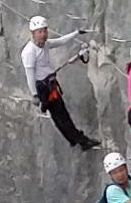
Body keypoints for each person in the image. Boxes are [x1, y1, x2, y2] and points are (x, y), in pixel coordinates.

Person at [20, 16, 93, 153]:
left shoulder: (45, 44)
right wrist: (34, 94)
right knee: (61, 115)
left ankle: (74, 139)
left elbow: (60, 41)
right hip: (43, 88)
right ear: (33, 33)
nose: (43, 34)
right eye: (40, 32)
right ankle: (81, 141)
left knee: (59, 115)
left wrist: (76, 33)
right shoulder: (29, 52)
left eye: (44, 31)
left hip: (49, 83)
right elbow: (30, 75)